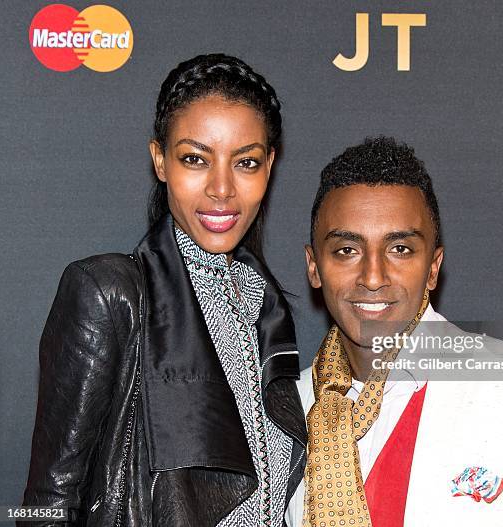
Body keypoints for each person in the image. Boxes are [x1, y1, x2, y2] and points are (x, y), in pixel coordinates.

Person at [22, 53, 306, 527]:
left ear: (269, 166)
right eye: (195, 159)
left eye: (246, 162)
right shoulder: (108, 295)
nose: (221, 188)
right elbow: (43, 506)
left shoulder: (266, 303)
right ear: (160, 160)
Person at [286, 136, 503, 526]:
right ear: (313, 266)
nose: (373, 277)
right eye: (346, 250)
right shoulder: (287, 408)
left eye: (400, 249)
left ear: (434, 266)